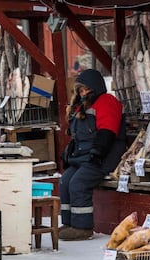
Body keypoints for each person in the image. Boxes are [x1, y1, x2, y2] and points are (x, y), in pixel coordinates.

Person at [59, 69, 127, 241]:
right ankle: (69, 223)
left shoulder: (106, 102)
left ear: (95, 87)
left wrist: (97, 153)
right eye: (80, 91)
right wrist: (68, 154)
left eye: (85, 90)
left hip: (102, 158)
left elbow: (107, 131)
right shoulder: (83, 107)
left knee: (78, 183)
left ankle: (83, 227)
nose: (82, 93)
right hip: (83, 158)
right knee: (65, 180)